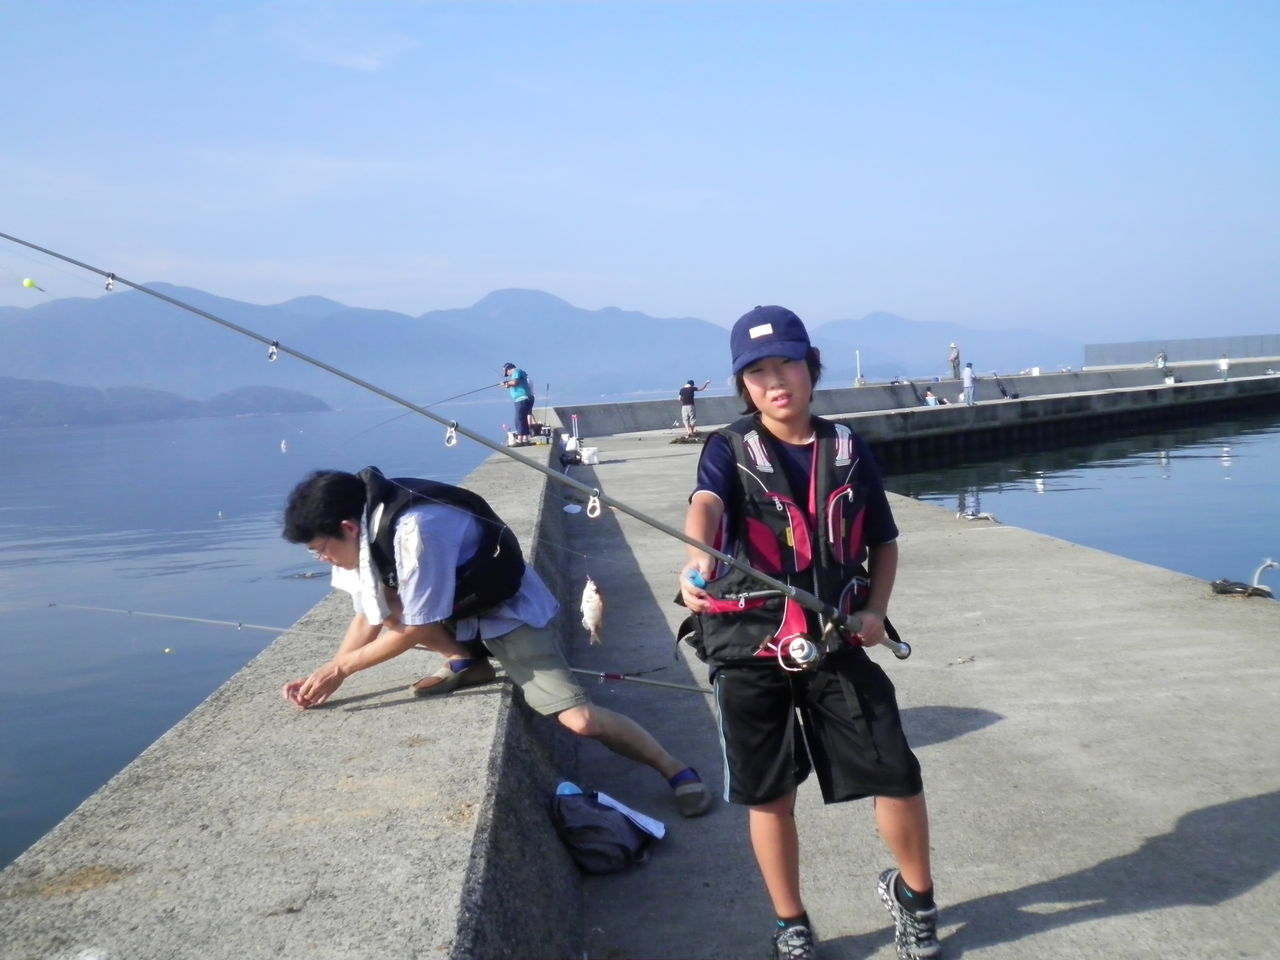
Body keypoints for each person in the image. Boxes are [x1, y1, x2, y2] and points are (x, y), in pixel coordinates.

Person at [677, 305, 939, 960]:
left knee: (896, 770)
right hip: (747, 645)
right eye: (757, 372)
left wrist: (875, 610)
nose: (775, 381)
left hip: (836, 640)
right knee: (769, 794)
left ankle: (916, 898)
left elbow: (883, 541)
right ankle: (790, 923)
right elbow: (706, 503)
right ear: (744, 385)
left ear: (811, 368)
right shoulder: (727, 449)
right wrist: (695, 559)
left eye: (787, 364)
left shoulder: (847, 448)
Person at [280, 466, 713, 818]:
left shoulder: (416, 528)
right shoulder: (361, 530)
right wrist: (329, 675)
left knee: (581, 721)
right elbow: (368, 613)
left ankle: (676, 770)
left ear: (347, 527)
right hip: (456, 612)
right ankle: (467, 661)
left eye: (320, 549)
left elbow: (415, 627)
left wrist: (340, 668)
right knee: (390, 603)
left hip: (506, 613)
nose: (321, 558)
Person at [502, 362, 535, 445]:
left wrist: (507, 383)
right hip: (523, 399)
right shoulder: (518, 373)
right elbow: (515, 384)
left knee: (518, 419)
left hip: (522, 398)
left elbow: (515, 383)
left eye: (506, 372)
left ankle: (520, 439)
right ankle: (525, 439)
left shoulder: (516, 371)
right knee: (523, 419)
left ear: (508, 369)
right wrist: (507, 385)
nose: (508, 375)